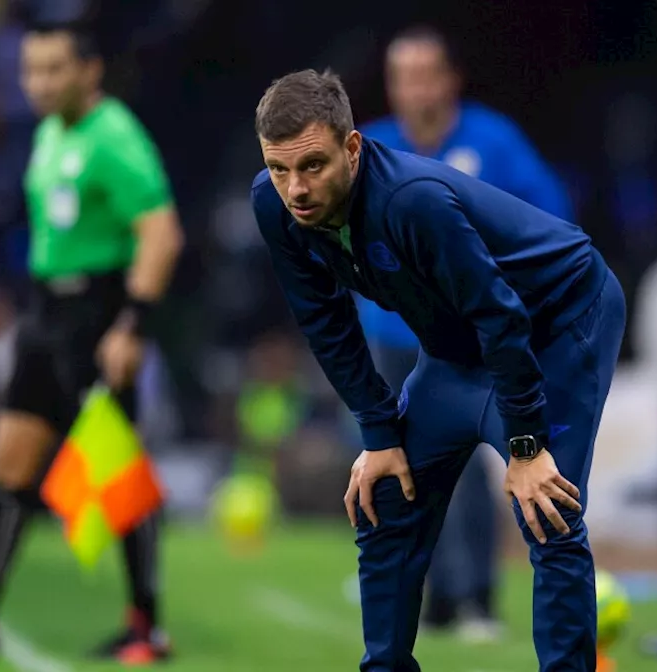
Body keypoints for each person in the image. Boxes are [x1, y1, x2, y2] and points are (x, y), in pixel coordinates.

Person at [251, 69, 625, 671]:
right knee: (383, 497)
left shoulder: (411, 200)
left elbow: (501, 316)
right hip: (457, 346)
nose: (295, 188)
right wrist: (378, 434)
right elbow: (325, 321)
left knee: (548, 511)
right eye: (279, 168)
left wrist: (527, 446)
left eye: (313, 165)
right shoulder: (274, 204)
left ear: (352, 147)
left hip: (561, 321)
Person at [0, 22, 185, 664]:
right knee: (7, 462)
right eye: (31, 70)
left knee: (113, 470)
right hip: (46, 315)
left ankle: (147, 626)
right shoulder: (51, 132)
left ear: (90, 71)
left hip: (97, 315)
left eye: (54, 70)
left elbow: (161, 233)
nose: (38, 83)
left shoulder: (114, 136)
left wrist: (131, 325)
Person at [358, 25, 575, 639]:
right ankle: (424, 597)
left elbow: (549, 220)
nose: (415, 88)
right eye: (404, 76)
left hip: (474, 337)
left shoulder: (495, 142)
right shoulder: (369, 147)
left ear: (451, 79)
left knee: (485, 461)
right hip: (395, 335)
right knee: (401, 464)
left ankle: (477, 597)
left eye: (427, 74)